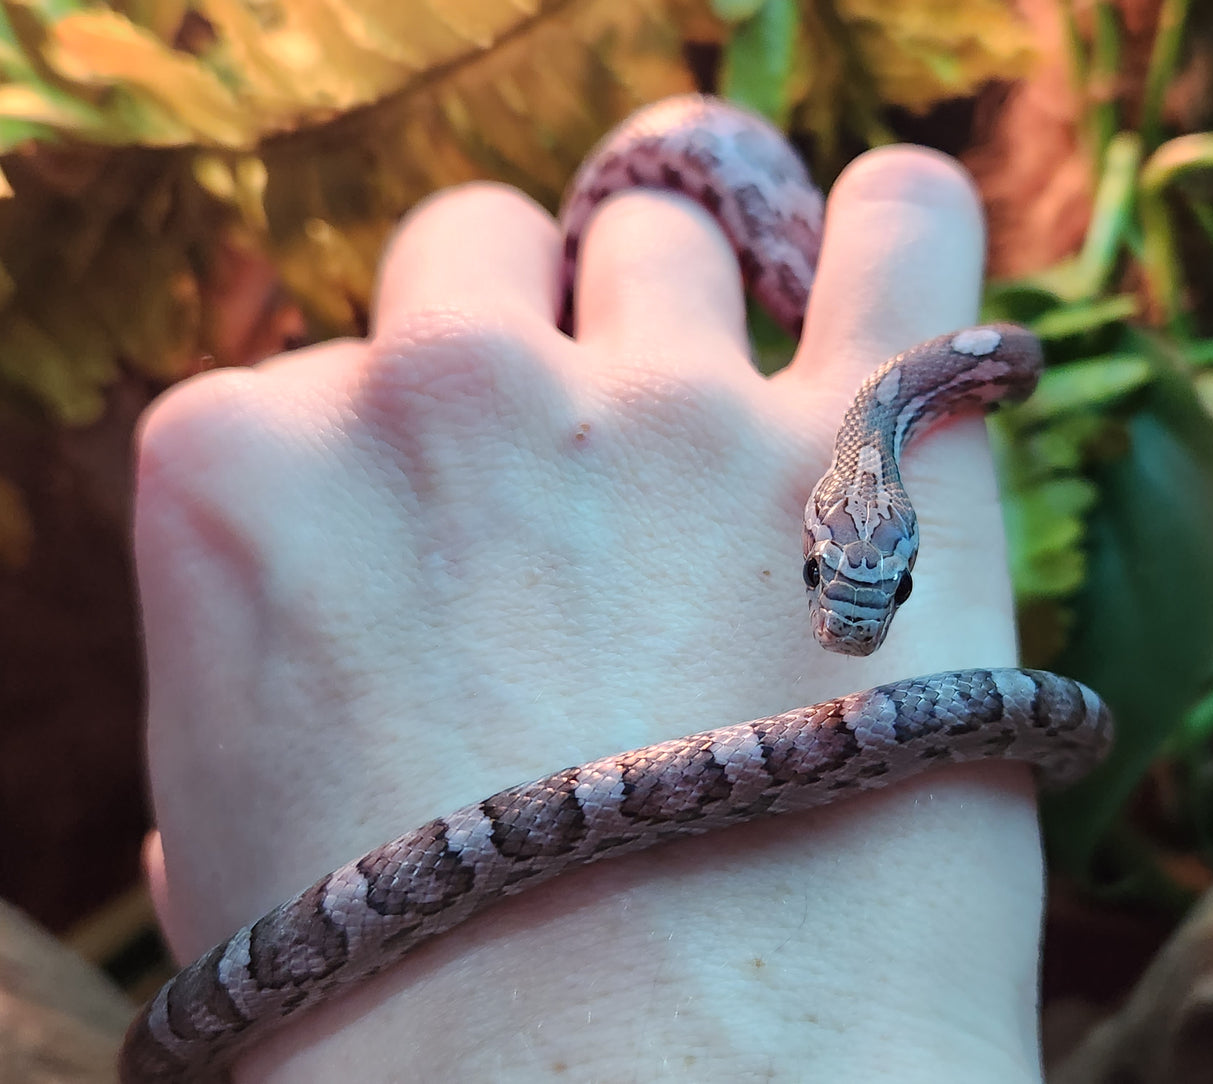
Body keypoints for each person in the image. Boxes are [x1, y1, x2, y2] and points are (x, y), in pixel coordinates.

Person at [133, 143, 1047, 1081]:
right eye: (825, 581)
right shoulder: (881, 426)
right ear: (813, 538)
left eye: (882, 591)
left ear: (899, 554)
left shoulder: (897, 418)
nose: (849, 628)